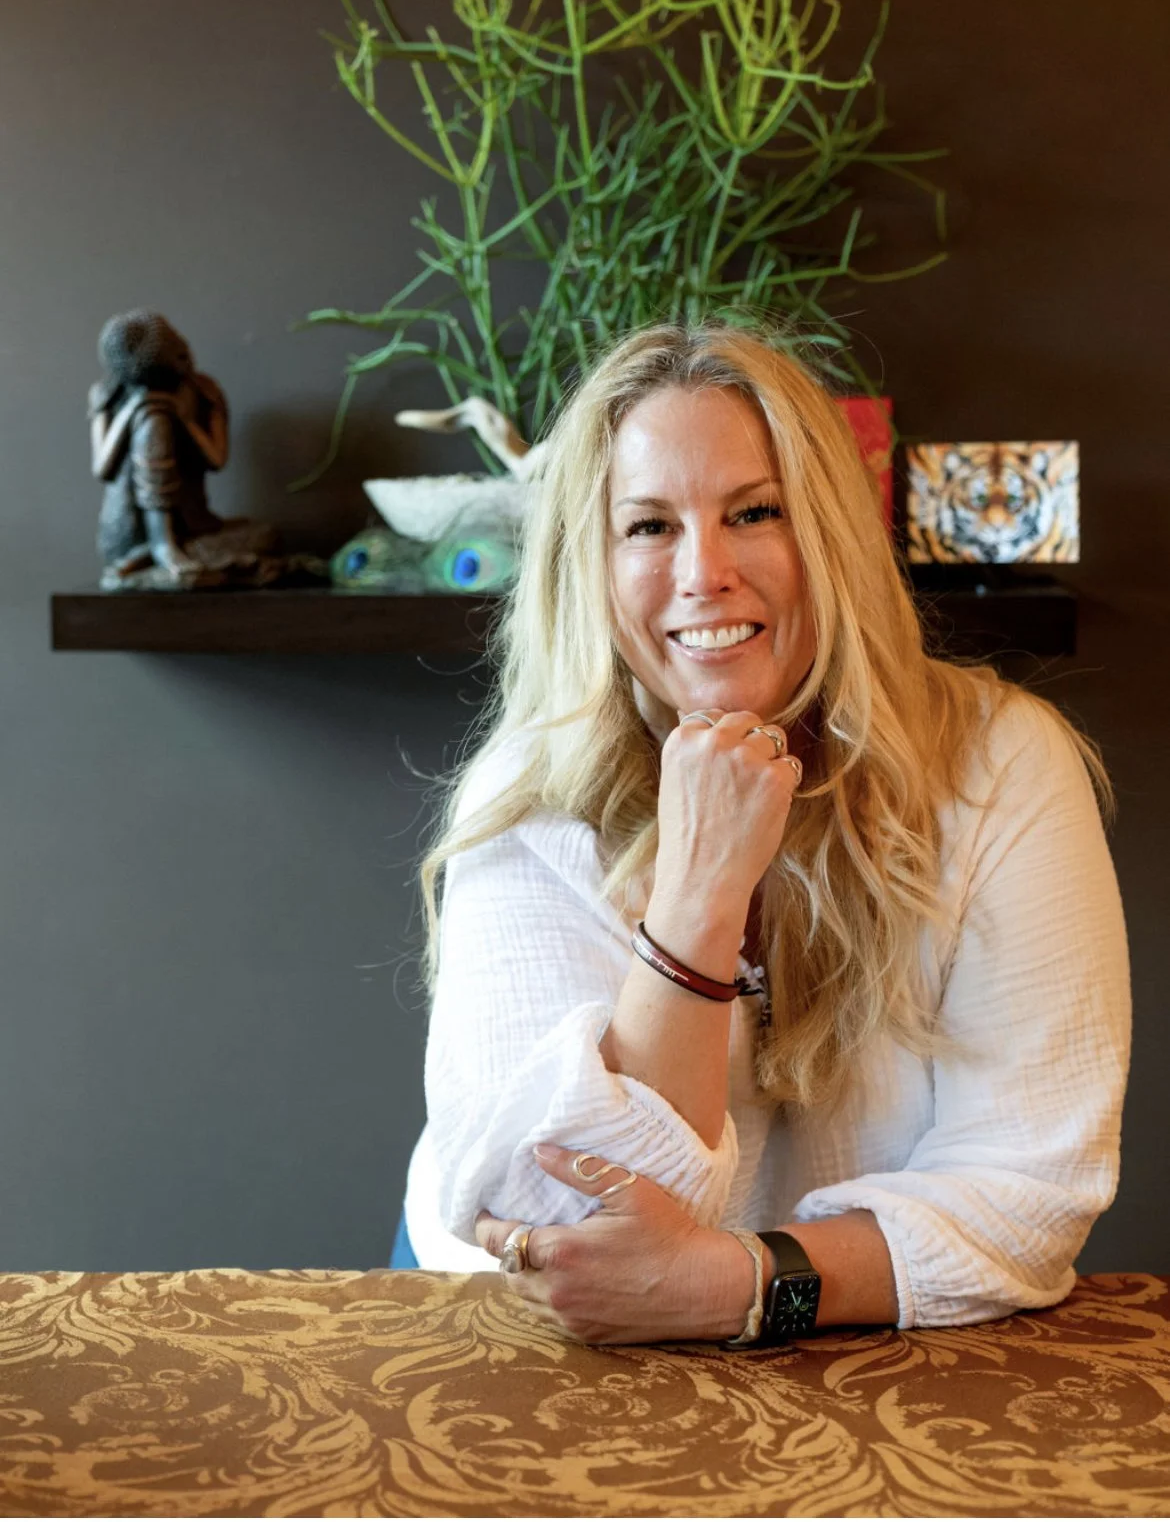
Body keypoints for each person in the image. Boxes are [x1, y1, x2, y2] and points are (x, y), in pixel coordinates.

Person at [399, 321, 1130, 1346]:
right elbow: (571, 1232)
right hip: (540, 1333)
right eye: (648, 526)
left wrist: (739, 1281)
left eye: (754, 511)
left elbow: (1030, 1188)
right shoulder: (527, 791)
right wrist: (699, 892)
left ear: (829, 533)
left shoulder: (1003, 763)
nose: (704, 571)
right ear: (591, 565)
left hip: (865, 1335)